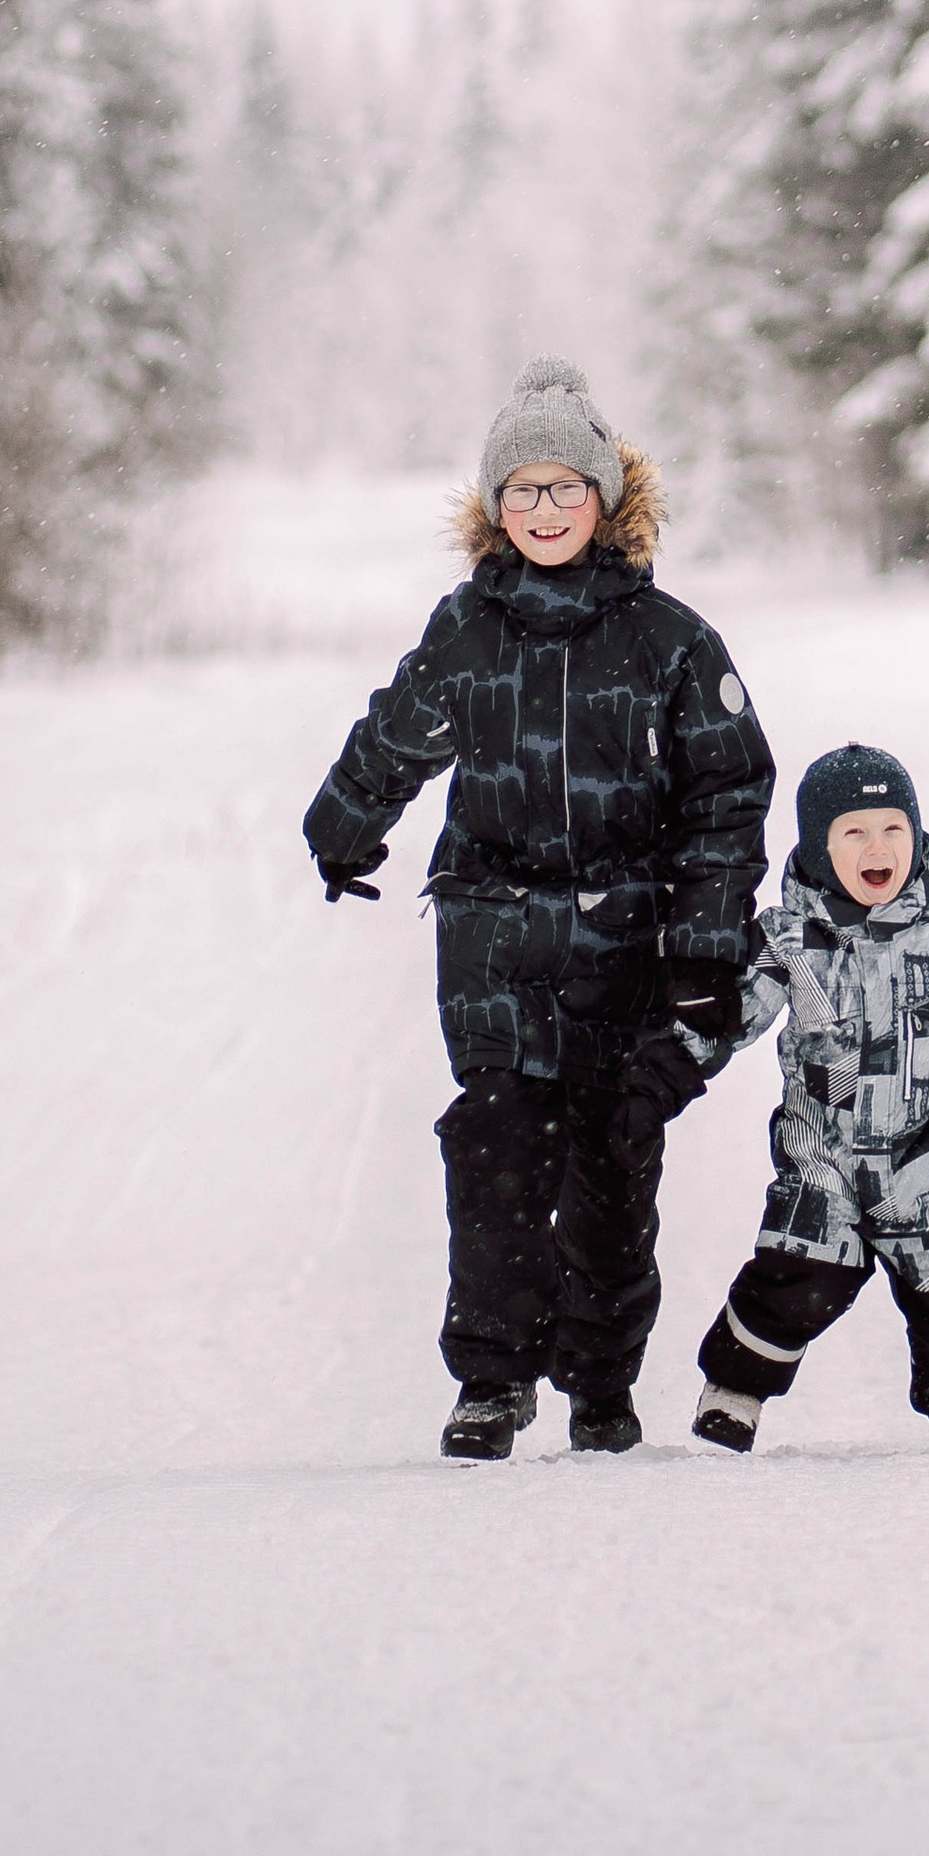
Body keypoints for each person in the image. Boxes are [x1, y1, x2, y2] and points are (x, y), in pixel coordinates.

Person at [304, 356, 776, 1460]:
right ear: (493, 506)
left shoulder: (669, 641)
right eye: (522, 490)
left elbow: (729, 795)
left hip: (623, 943)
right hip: (495, 937)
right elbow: (399, 732)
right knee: (497, 1155)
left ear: (607, 499)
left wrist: (705, 942)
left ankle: (600, 1385)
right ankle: (491, 1378)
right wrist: (341, 826)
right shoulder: (468, 630)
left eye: (565, 487)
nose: (545, 508)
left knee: (613, 1166)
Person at [689, 740, 929, 1458]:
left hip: (917, 1149)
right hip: (824, 1152)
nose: (878, 847)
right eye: (854, 833)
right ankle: (734, 1394)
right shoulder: (789, 940)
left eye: (893, 829)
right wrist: (666, 1069)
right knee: (796, 1276)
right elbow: (735, 1018)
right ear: (819, 847)